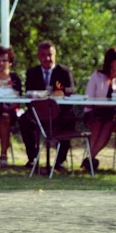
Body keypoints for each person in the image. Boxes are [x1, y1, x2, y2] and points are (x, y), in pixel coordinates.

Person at [18, 41, 75, 171]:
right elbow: (28, 94)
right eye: (43, 55)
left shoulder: (63, 71)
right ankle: (33, 159)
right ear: (38, 56)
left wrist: (61, 92)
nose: (47, 58)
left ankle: (60, 161)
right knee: (24, 120)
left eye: (50, 55)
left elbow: (72, 90)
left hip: (60, 111)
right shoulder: (32, 73)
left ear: (55, 55)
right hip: (39, 111)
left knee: (70, 119)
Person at [83, 47, 116, 170]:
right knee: (97, 123)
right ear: (111, 62)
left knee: (109, 124)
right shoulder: (97, 76)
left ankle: (90, 158)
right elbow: (89, 101)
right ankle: (91, 160)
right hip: (95, 112)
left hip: (113, 115)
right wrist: (104, 105)